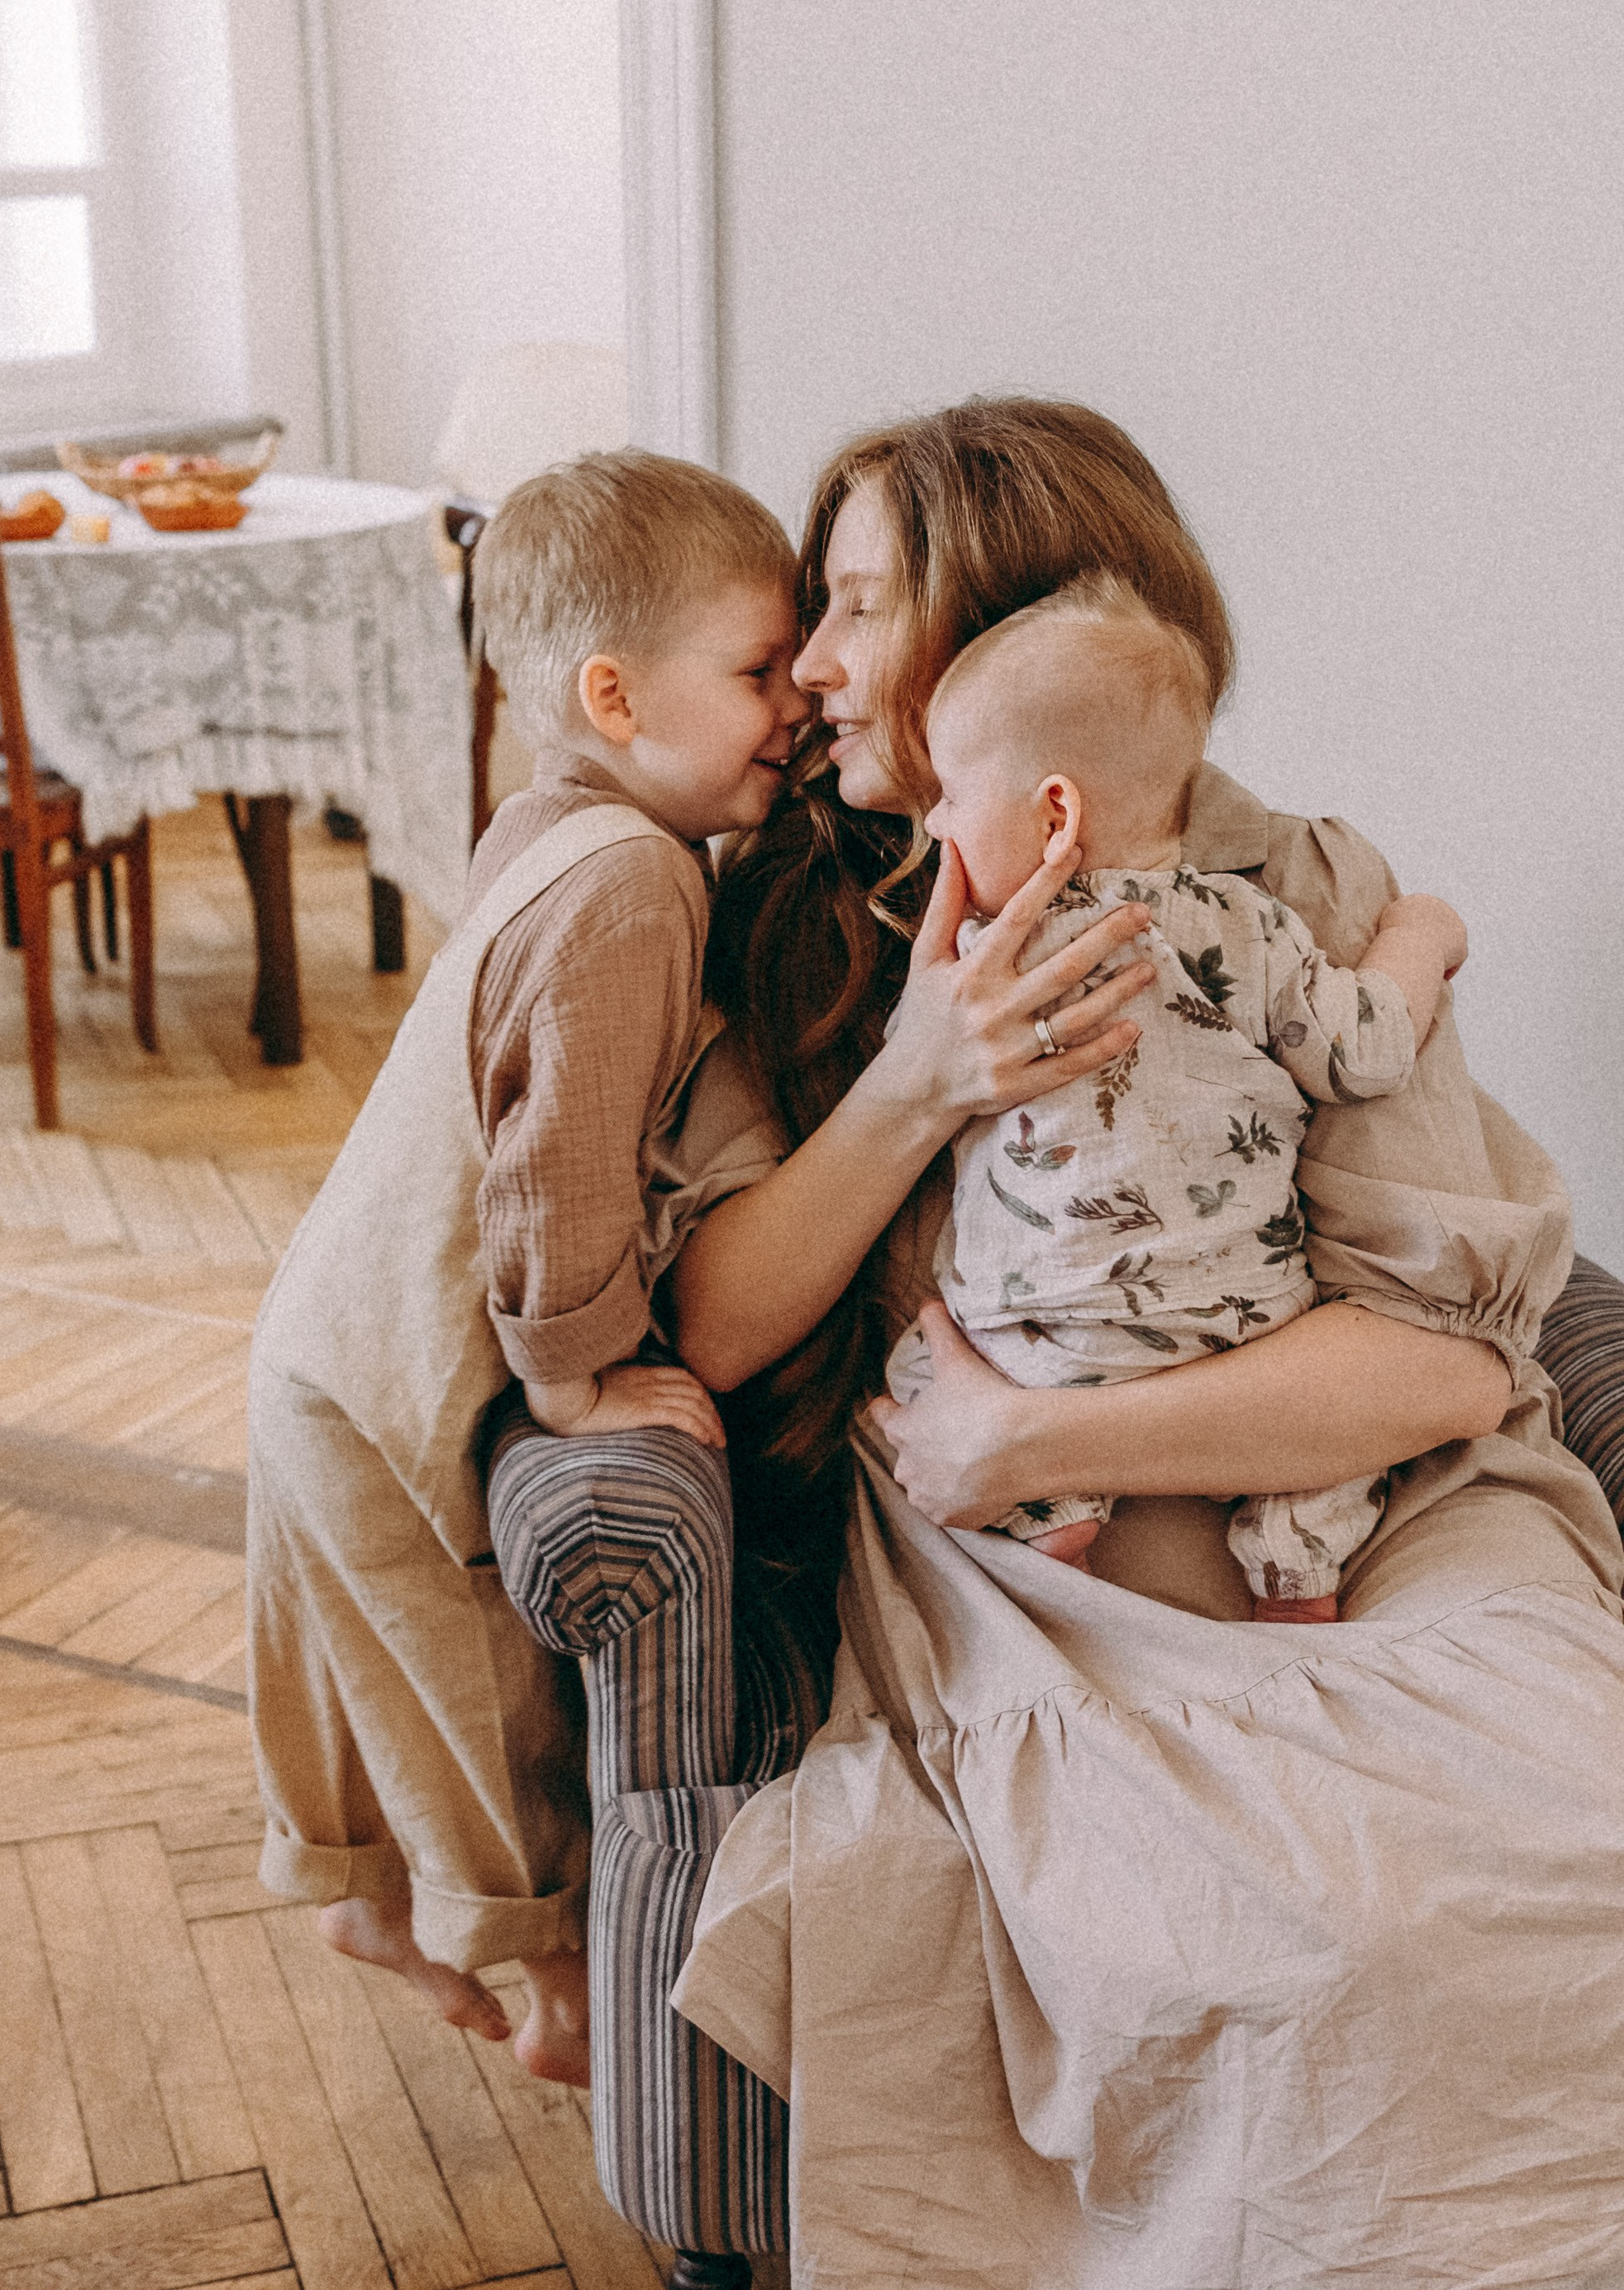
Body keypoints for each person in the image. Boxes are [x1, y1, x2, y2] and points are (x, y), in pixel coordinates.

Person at [650, 399, 1624, 2284]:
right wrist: (918, 1080)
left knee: (1554, 1856)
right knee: (1265, 1937)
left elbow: (1437, 1365)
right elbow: (717, 1312)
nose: (816, 668)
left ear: (1009, 640)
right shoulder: (773, 910)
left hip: (1357, 1499)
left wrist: (1035, 1441)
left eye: (857, 606)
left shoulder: (1290, 895)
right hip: (1022, 1568)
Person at [245, 448, 804, 2083]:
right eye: (756, 671)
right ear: (614, 693)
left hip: (319, 1332)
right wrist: (577, 1367)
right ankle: (549, 1980)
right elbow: (554, 1158)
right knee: (483, 1688)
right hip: (391, 1372)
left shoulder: (552, 817)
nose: (791, 705)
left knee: (368, 1668)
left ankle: (355, 1891)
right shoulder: (632, 881)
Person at [885, 575, 1469, 1620]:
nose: (934, 820)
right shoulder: (1244, 924)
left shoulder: (981, 964)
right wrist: (1417, 935)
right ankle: (1296, 1562)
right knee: (1325, 1454)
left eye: (951, 793)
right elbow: (1362, 1052)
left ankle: (1048, 1515)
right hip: (1239, 1322)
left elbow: (917, 1078)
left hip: (1039, 1336)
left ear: (1053, 810)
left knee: (922, 1373)